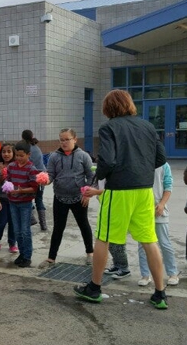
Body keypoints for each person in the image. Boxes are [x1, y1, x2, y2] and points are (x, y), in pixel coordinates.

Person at [74, 89, 167, 309]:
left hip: (118, 192)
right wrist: (140, 169)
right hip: (144, 190)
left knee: (104, 238)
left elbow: (107, 160)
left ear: (108, 108)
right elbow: (161, 157)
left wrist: (101, 176)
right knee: (149, 240)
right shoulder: (147, 126)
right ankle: (160, 293)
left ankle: (94, 288)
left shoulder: (108, 127)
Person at [39, 128, 94, 269]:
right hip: (60, 197)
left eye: (67, 139)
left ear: (74, 139)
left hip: (79, 197)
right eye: (61, 140)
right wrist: (46, 180)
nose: (64, 142)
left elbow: (91, 176)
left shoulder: (83, 156)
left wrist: (87, 193)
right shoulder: (54, 157)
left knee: (84, 225)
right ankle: (51, 257)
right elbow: (51, 174)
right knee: (58, 227)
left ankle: (90, 253)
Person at [138, 162, 179, 286]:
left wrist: (161, 204)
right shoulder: (139, 161)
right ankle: (145, 275)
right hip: (141, 210)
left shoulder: (164, 165)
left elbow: (168, 186)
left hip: (158, 210)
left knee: (164, 243)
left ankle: (172, 273)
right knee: (142, 245)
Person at [6, 141, 39, 268]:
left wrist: (21, 191)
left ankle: (27, 256)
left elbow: (34, 188)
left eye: (21, 156)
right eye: (17, 155)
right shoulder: (11, 166)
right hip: (13, 202)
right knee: (17, 230)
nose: (19, 158)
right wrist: (8, 188)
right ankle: (21, 253)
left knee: (25, 231)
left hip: (25, 203)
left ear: (28, 154)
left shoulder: (31, 169)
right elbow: (8, 181)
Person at [0, 142, 18, 253]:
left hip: (14, 199)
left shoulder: (17, 165)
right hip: (1, 199)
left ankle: (12, 243)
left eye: (9, 152)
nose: (6, 154)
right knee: (1, 222)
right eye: (4, 152)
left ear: (14, 153)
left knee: (13, 222)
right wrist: (1, 178)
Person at [21, 129, 47, 230]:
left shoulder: (26, 149)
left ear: (22, 137)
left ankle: (31, 218)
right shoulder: (37, 147)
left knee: (27, 197)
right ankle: (43, 224)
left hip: (32, 176)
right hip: (42, 176)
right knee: (39, 199)